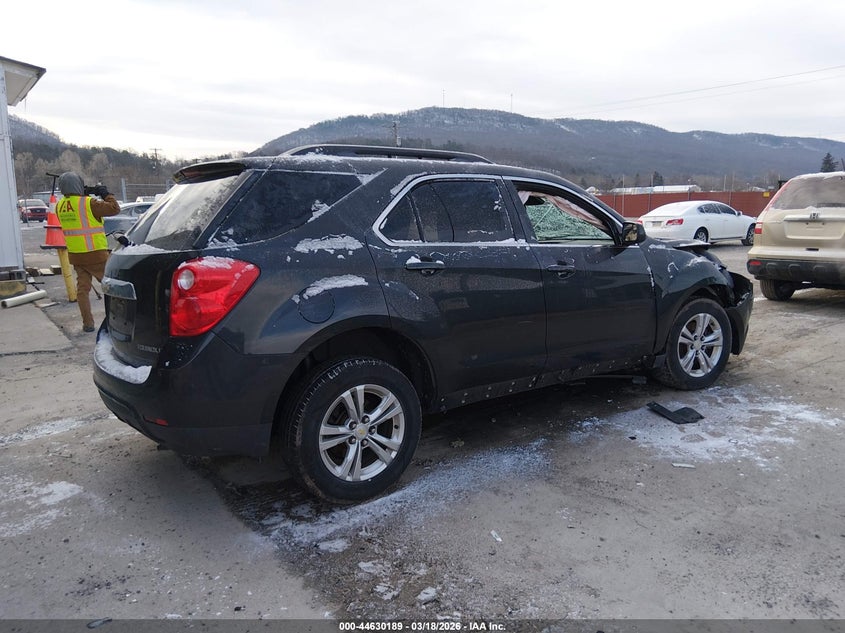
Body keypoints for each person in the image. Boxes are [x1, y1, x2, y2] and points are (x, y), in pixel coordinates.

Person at [55, 172, 120, 332]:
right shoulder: (88, 203)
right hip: (95, 253)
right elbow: (114, 208)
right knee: (112, 288)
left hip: (76, 256)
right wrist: (105, 194)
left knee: (82, 290)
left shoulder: (60, 206)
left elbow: (76, 214)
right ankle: (118, 322)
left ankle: (88, 324)